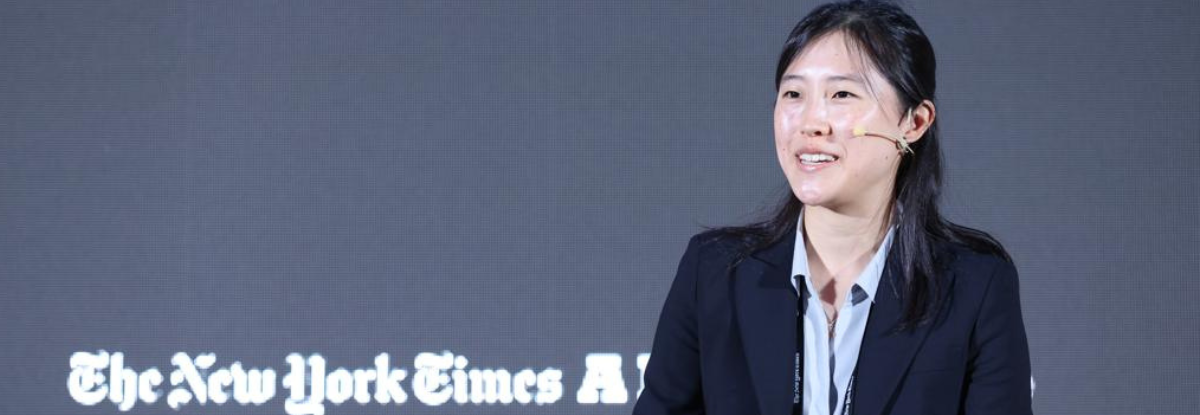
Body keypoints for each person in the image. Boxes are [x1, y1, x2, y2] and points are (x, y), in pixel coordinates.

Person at [632, 1, 1033, 414]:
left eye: (841, 94)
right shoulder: (715, 272)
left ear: (913, 123)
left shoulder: (972, 285)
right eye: (793, 94)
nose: (811, 122)